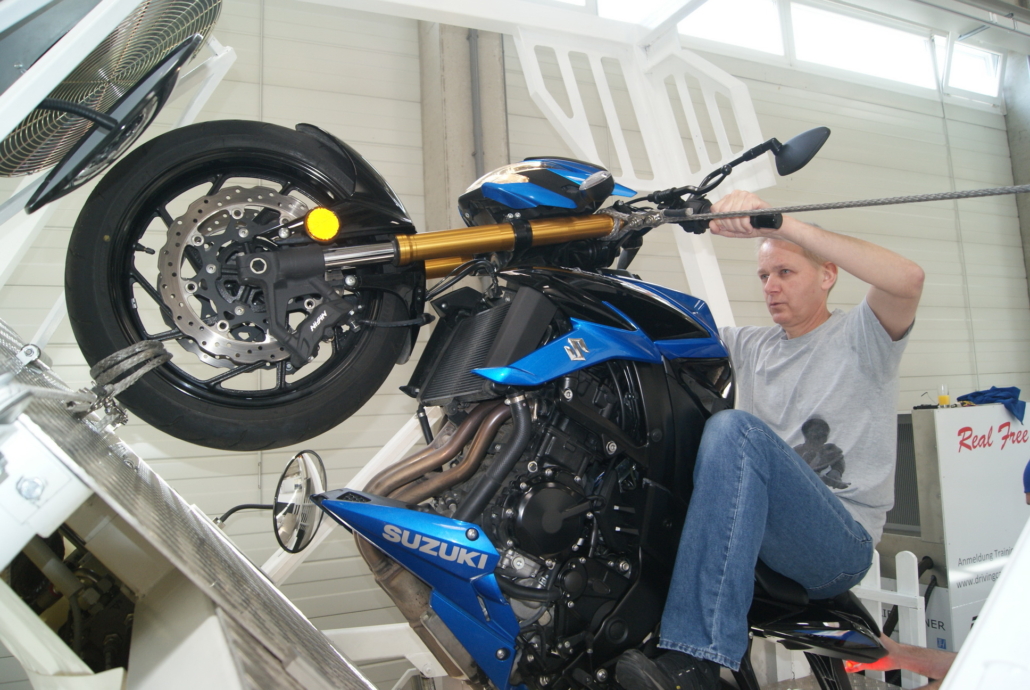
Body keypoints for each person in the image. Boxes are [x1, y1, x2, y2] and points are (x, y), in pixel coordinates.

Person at [617, 190, 925, 690]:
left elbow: (908, 278)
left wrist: (779, 225)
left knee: (734, 431)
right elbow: (661, 331)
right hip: (767, 538)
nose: (771, 287)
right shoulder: (749, 346)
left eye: (786, 272)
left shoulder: (863, 337)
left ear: (827, 275)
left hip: (838, 546)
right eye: (764, 276)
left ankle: (697, 663)